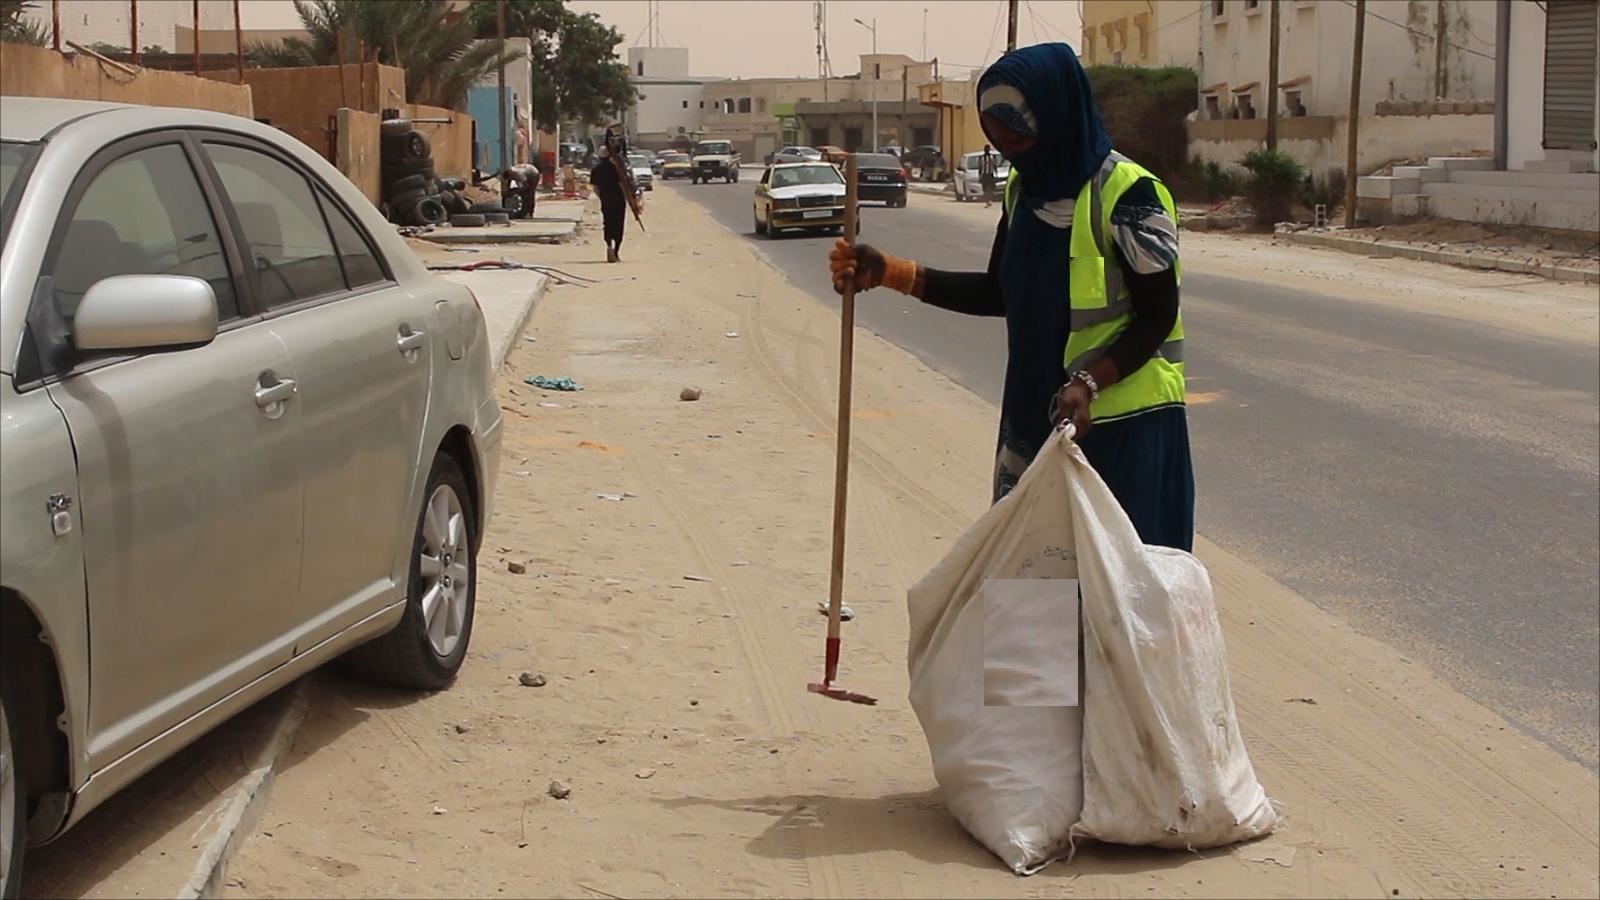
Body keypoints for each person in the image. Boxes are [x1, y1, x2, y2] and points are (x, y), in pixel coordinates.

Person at [827, 42, 1193, 552]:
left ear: (1056, 115)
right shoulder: (1024, 191)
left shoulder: (1132, 196)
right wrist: (891, 272)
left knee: (1119, 605)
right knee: (1030, 604)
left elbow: (1157, 317)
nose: (1007, 151)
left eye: (1016, 136)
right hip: (1036, 417)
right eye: (996, 140)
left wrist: (1088, 381)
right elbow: (999, 291)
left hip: (1123, 430)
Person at [590, 128, 629, 263]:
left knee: (608, 224)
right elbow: (622, 185)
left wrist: (602, 197)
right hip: (618, 201)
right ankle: (616, 252)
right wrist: (627, 197)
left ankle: (608, 246)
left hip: (606, 201)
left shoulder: (595, 170)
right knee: (618, 225)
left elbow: (595, 188)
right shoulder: (616, 168)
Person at [979, 143, 999, 208]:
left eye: (988, 149)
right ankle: (987, 201)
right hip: (984, 174)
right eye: (986, 149)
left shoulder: (992, 157)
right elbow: (980, 167)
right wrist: (979, 176)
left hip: (990, 174)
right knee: (985, 188)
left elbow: (995, 166)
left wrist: (996, 174)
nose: (987, 150)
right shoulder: (981, 157)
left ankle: (990, 200)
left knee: (991, 188)